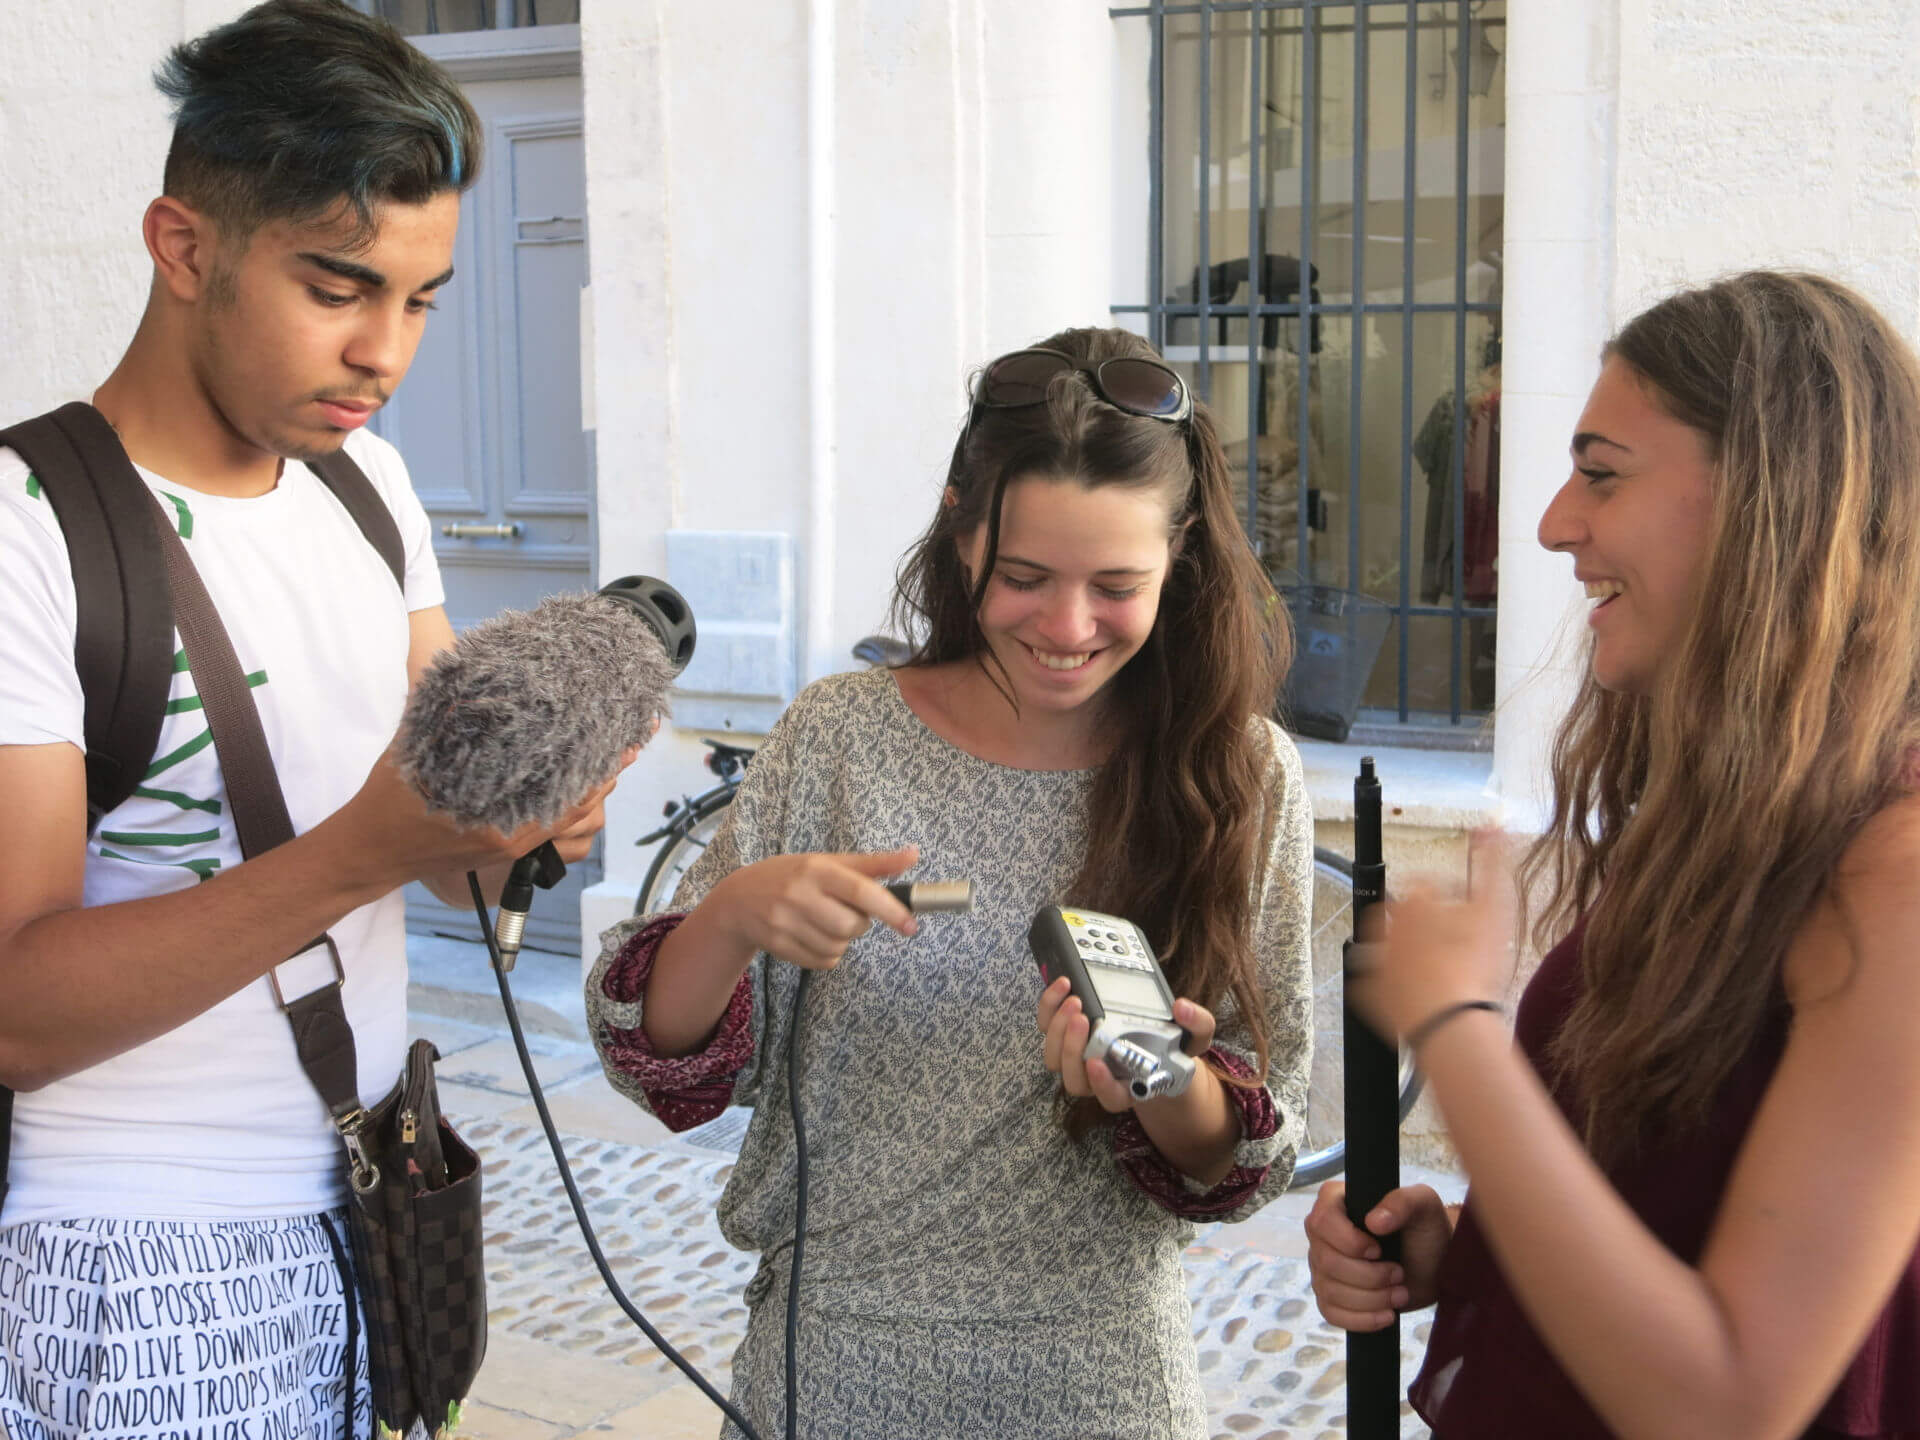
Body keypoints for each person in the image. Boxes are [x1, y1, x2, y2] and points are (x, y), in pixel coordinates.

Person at [0, 3, 619, 1435]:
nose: (383, 352)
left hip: (378, 1213)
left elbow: (448, 852)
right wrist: (368, 847)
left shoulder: (368, 490)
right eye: (339, 286)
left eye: (421, 299)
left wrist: (527, 829)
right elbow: (18, 1013)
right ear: (184, 247)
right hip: (137, 1258)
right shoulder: (32, 528)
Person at [588, 328, 1316, 1439]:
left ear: (1182, 563)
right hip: (833, 1365)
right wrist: (734, 916)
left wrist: (1160, 1079)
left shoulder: (1241, 774)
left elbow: (1247, 1154)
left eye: (1117, 586)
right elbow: (658, 1061)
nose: (1067, 630)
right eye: (1024, 578)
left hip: (1105, 1373)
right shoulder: (839, 737)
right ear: (960, 529)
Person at [1304, 271, 1920, 1440]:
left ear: (1769, 500)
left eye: (1601, 473)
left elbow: (1730, 1402)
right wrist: (1474, 1250)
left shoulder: (1894, 872)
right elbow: (1670, 1195)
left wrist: (1456, 1034)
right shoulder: (1740, 817)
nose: (1549, 525)